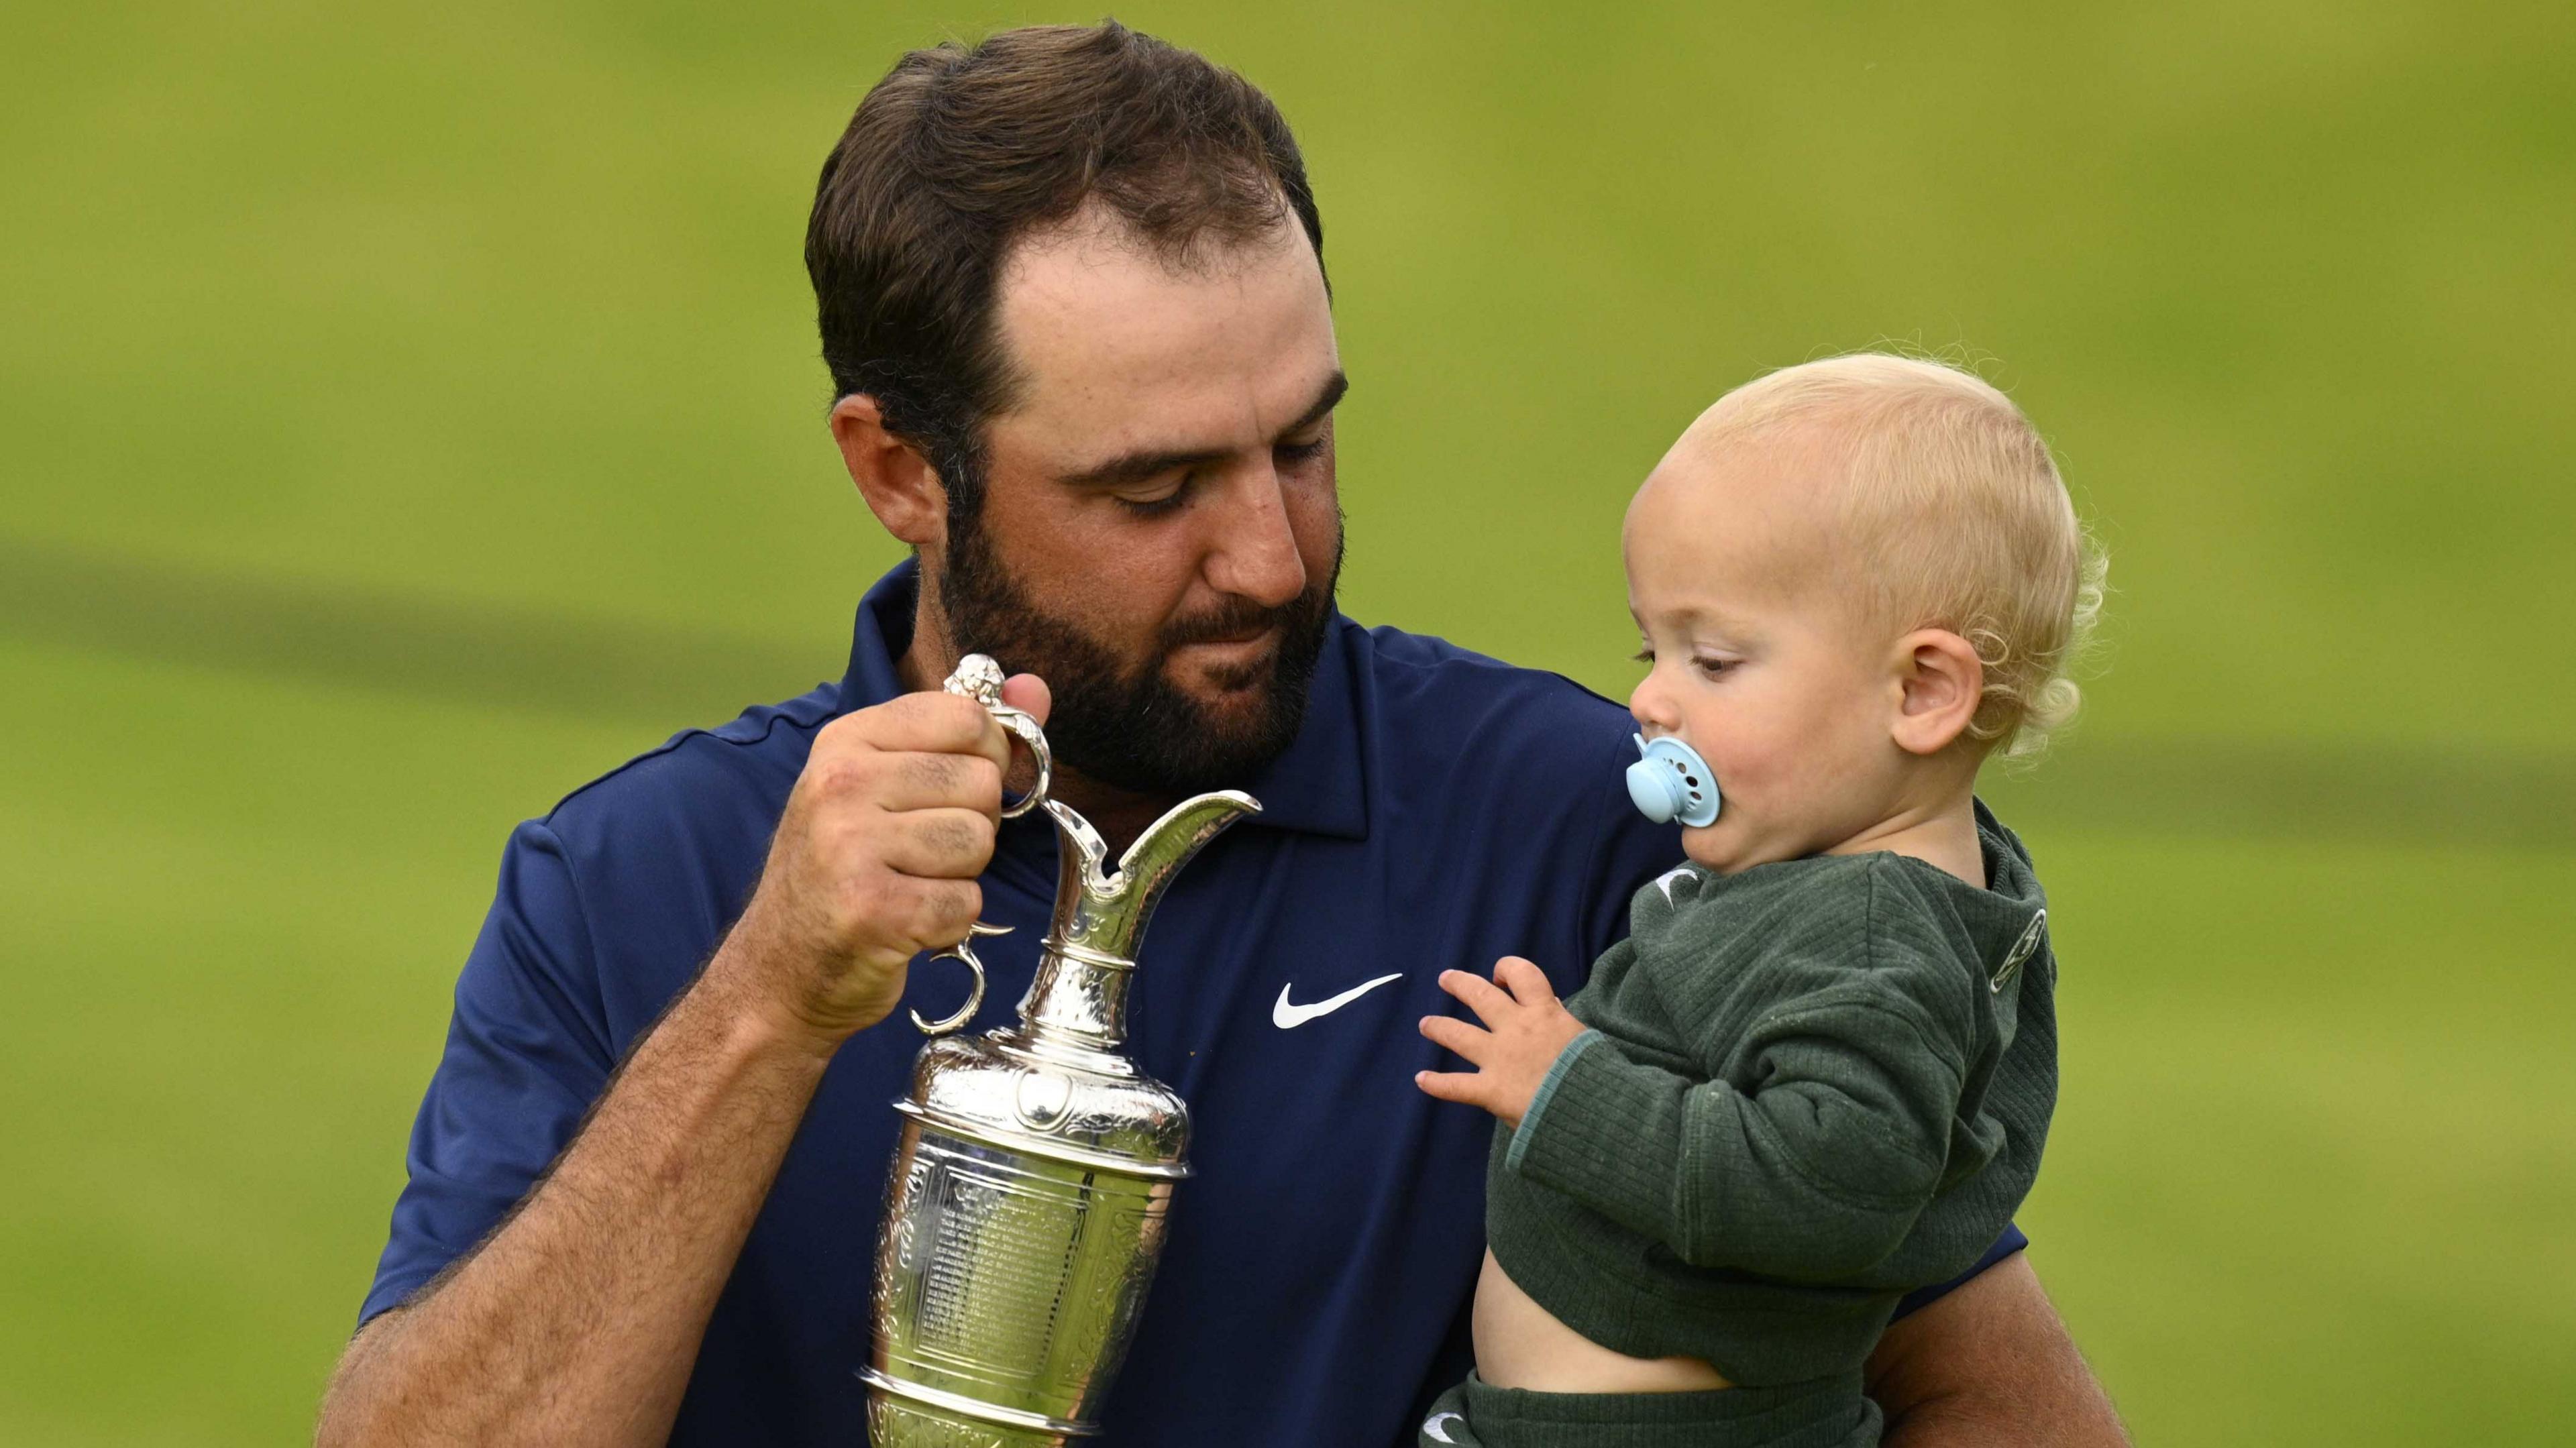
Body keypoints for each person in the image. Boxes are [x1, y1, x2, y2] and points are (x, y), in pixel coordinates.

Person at [315, 24, 2129, 1448]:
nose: (1269, 553)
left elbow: (2000, 1404)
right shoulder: (644, 889)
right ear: (900, 473)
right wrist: (769, 1006)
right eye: (1153, 486)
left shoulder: (1600, 830)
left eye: (1302, 444)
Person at [1411, 355, 2100, 1447]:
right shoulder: (1868, 887)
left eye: (1716, 660)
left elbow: (1831, 1189)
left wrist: (1567, 1087)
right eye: (1654, 648)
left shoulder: (1875, 937)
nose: (1649, 695)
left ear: (1922, 692)